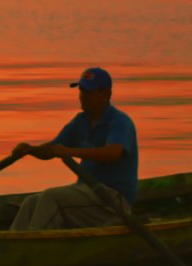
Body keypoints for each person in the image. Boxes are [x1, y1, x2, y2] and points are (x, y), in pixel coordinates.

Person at [9, 67, 137, 231]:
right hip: (87, 192)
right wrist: (30, 150)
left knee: (51, 198)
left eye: (88, 92)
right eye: (81, 91)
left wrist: (69, 152)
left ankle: (31, 249)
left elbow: (112, 153)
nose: (83, 97)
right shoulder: (81, 121)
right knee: (30, 203)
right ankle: (11, 245)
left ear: (106, 94)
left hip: (113, 201)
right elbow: (54, 149)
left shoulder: (120, 122)